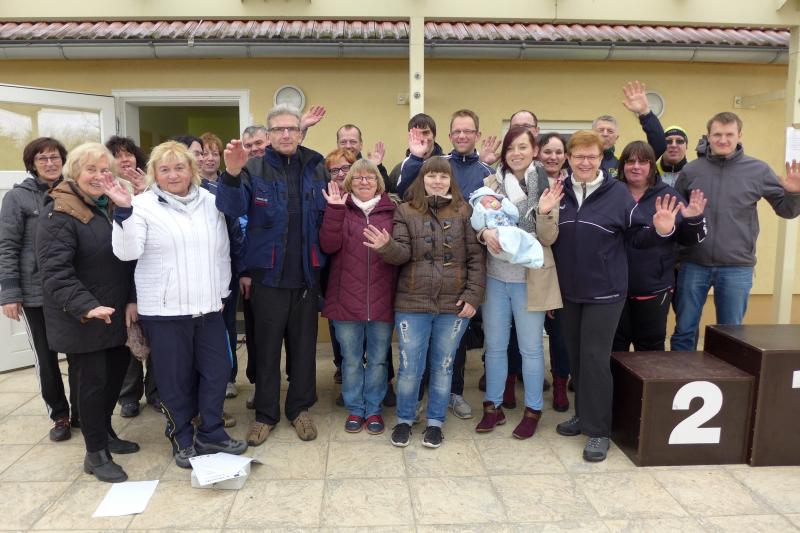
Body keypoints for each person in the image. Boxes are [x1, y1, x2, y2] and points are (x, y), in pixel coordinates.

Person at [106, 140, 247, 468]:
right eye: (165, 169)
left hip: (208, 308)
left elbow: (222, 251)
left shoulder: (211, 201)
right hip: (165, 312)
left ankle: (211, 431)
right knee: (174, 380)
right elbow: (127, 253)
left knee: (217, 372)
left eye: (179, 167)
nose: (173, 175)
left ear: (191, 170)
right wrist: (123, 211)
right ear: (154, 173)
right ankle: (181, 436)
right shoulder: (141, 205)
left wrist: (222, 293)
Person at [551, 130, 683, 462]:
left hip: (605, 293)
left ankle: (599, 430)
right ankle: (583, 415)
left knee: (595, 359)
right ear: (568, 158)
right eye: (579, 156)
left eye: (591, 156)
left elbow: (639, 238)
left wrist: (661, 230)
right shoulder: (558, 193)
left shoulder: (617, 194)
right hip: (569, 293)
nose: (585, 162)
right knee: (577, 357)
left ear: (602, 159)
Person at [216, 104, 328, 445]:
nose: (285, 134)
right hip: (267, 278)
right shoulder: (253, 169)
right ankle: (266, 414)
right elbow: (231, 208)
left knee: (304, 350)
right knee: (265, 351)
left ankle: (299, 409)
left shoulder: (316, 166)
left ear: (300, 132)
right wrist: (231, 173)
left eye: (291, 128)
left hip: (306, 277)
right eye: (278, 129)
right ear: (268, 135)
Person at [36, 142, 139, 482]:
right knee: (93, 384)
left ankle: (105, 434)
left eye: (105, 169)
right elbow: (55, 273)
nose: (99, 176)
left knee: (115, 375)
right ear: (74, 173)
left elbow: (128, 258)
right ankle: (95, 454)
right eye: (91, 169)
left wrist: (130, 300)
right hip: (83, 317)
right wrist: (87, 306)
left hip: (113, 312)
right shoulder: (59, 212)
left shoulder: (110, 204)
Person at [366, 156, 485, 448]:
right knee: (409, 367)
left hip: (454, 305)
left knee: (443, 367)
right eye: (431, 175)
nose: (437, 181)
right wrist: (387, 247)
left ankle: (435, 423)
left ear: (450, 180)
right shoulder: (406, 210)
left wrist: (472, 296)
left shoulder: (464, 211)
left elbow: (476, 258)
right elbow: (402, 254)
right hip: (412, 303)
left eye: (443, 176)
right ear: (422, 179)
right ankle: (405, 420)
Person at [671, 112, 800, 351]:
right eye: (717, 134)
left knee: (730, 336)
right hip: (693, 263)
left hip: (737, 267)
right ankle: (679, 374)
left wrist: (793, 193)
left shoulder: (758, 170)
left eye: (729, 134)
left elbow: (787, 211)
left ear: (739, 135)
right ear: (708, 136)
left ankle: (724, 376)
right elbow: (677, 215)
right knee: (684, 330)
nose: (723, 140)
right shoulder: (691, 170)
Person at [397, 109, 494, 419]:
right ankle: (418, 399)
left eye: (468, 130)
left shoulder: (486, 170)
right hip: (422, 281)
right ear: (450, 136)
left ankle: (453, 394)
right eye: (457, 131)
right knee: (419, 352)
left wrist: (474, 291)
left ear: (477, 134)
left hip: (460, 277)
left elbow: (494, 214)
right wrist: (416, 158)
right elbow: (405, 192)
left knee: (453, 351)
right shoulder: (437, 164)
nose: (462, 135)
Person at [474, 126, 563, 439]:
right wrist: (484, 233)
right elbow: (477, 223)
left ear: (534, 150)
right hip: (496, 277)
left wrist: (545, 213)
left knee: (531, 349)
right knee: (495, 347)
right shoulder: (491, 183)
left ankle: (533, 409)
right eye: (511, 148)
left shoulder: (549, 186)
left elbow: (548, 238)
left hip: (530, 279)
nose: (516, 153)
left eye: (523, 147)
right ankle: (493, 406)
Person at [0, 137, 78, 441]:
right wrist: (10, 293)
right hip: (35, 293)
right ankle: (60, 415)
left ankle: (82, 411)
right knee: (47, 358)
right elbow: (7, 246)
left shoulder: (74, 191)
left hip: (71, 290)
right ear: (32, 164)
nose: (50, 163)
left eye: (55, 157)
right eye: (42, 158)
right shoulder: (17, 198)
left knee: (79, 355)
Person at [320, 159, 397, 435]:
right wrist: (334, 211)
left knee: (378, 359)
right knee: (351, 360)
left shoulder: (392, 210)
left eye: (370, 177)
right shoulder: (339, 207)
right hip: (345, 300)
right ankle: (355, 408)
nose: (364, 181)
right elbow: (328, 245)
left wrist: (388, 246)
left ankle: (373, 409)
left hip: (382, 299)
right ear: (349, 182)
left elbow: (401, 252)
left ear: (379, 182)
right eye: (358, 177)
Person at [613, 141, 707, 352]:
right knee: (615, 349)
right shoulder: (611, 193)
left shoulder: (668, 195)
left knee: (650, 351)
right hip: (614, 289)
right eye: (630, 161)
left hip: (653, 289)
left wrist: (692, 220)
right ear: (622, 165)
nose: (636, 166)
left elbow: (689, 240)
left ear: (651, 166)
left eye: (642, 162)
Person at [104, 136, 158, 419]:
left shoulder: (151, 189)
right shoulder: (105, 193)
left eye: (129, 154)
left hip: (152, 275)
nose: (125, 160)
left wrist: (145, 193)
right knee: (129, 338)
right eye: (117, 155)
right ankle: (129, 396)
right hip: (121, 275)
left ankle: (157, 392)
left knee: (157, 339)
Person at [198, 132, 247, 404]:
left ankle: (229, 376)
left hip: (226, 270)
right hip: (198, 272)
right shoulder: (188, 189)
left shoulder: (229, 185)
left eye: (214, 153)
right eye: (203, 153)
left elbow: (236, 231)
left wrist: (242, 269)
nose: (208, 158)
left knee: (227, 325)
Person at [536, 132, 573, 411]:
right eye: (547, 151)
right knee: (528, 335)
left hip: (566, 270)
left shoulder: (573, 186)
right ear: (538, 153)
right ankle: (529, 379)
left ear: (566, 156)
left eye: (558, 152)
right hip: (536, 268)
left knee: (560, 335)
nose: (553, 157)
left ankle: (560, 382)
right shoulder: (530, 182)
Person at [593, 81, 667, 178]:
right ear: (592, 134)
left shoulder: (623, 163)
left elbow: (659, 145)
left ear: (616, 137)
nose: (605, 134)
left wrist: (645, 113)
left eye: (610, 131)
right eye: (601, 130)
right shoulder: (578, 159)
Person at [469, 187, 544, 269]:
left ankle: (533, 257)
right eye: (485, 202)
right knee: (513, 248)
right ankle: (530, 258)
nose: (491, 202)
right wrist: (478, 211)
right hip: (496, 240)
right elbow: (477, 225)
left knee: (524, 239)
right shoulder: (485, 215)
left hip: (512, 235)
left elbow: (516, 216)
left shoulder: (504, 210)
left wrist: (505, 202)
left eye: (493, 199)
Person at [387, 113, 444, 194]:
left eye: (425, 133)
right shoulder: (399, 170)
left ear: (434, 135)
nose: (422, 138)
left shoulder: (448, 164)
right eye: (417, 134)